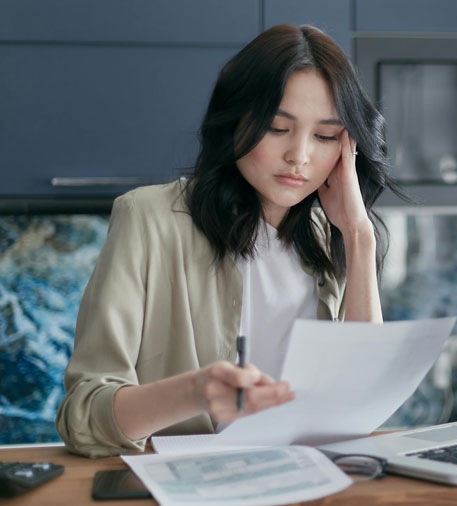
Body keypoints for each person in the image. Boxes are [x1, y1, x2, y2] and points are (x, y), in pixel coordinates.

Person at [55, 24, 401, 458]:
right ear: (236, 119)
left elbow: (361, 405)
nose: (300, 155)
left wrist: (358, 235)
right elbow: (83, 418)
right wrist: (196, 391)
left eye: (325, 136)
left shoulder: (331, 237)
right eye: (278, 128)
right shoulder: (149, 218)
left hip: (304, 480)